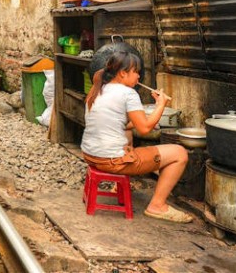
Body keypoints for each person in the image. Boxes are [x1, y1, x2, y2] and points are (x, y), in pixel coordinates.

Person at [81, 51, 192, 223]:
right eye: (136, 71)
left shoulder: (99, 88)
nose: (138, 76)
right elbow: (145, 129)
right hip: (112, 161)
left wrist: (148, 119)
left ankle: (120, 188)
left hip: (91, 155)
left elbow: (119, 123)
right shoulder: (128, 93)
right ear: (123, 73)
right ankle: (157, 205)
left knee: (127, 135)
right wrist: (160, 105)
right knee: (179, 153)